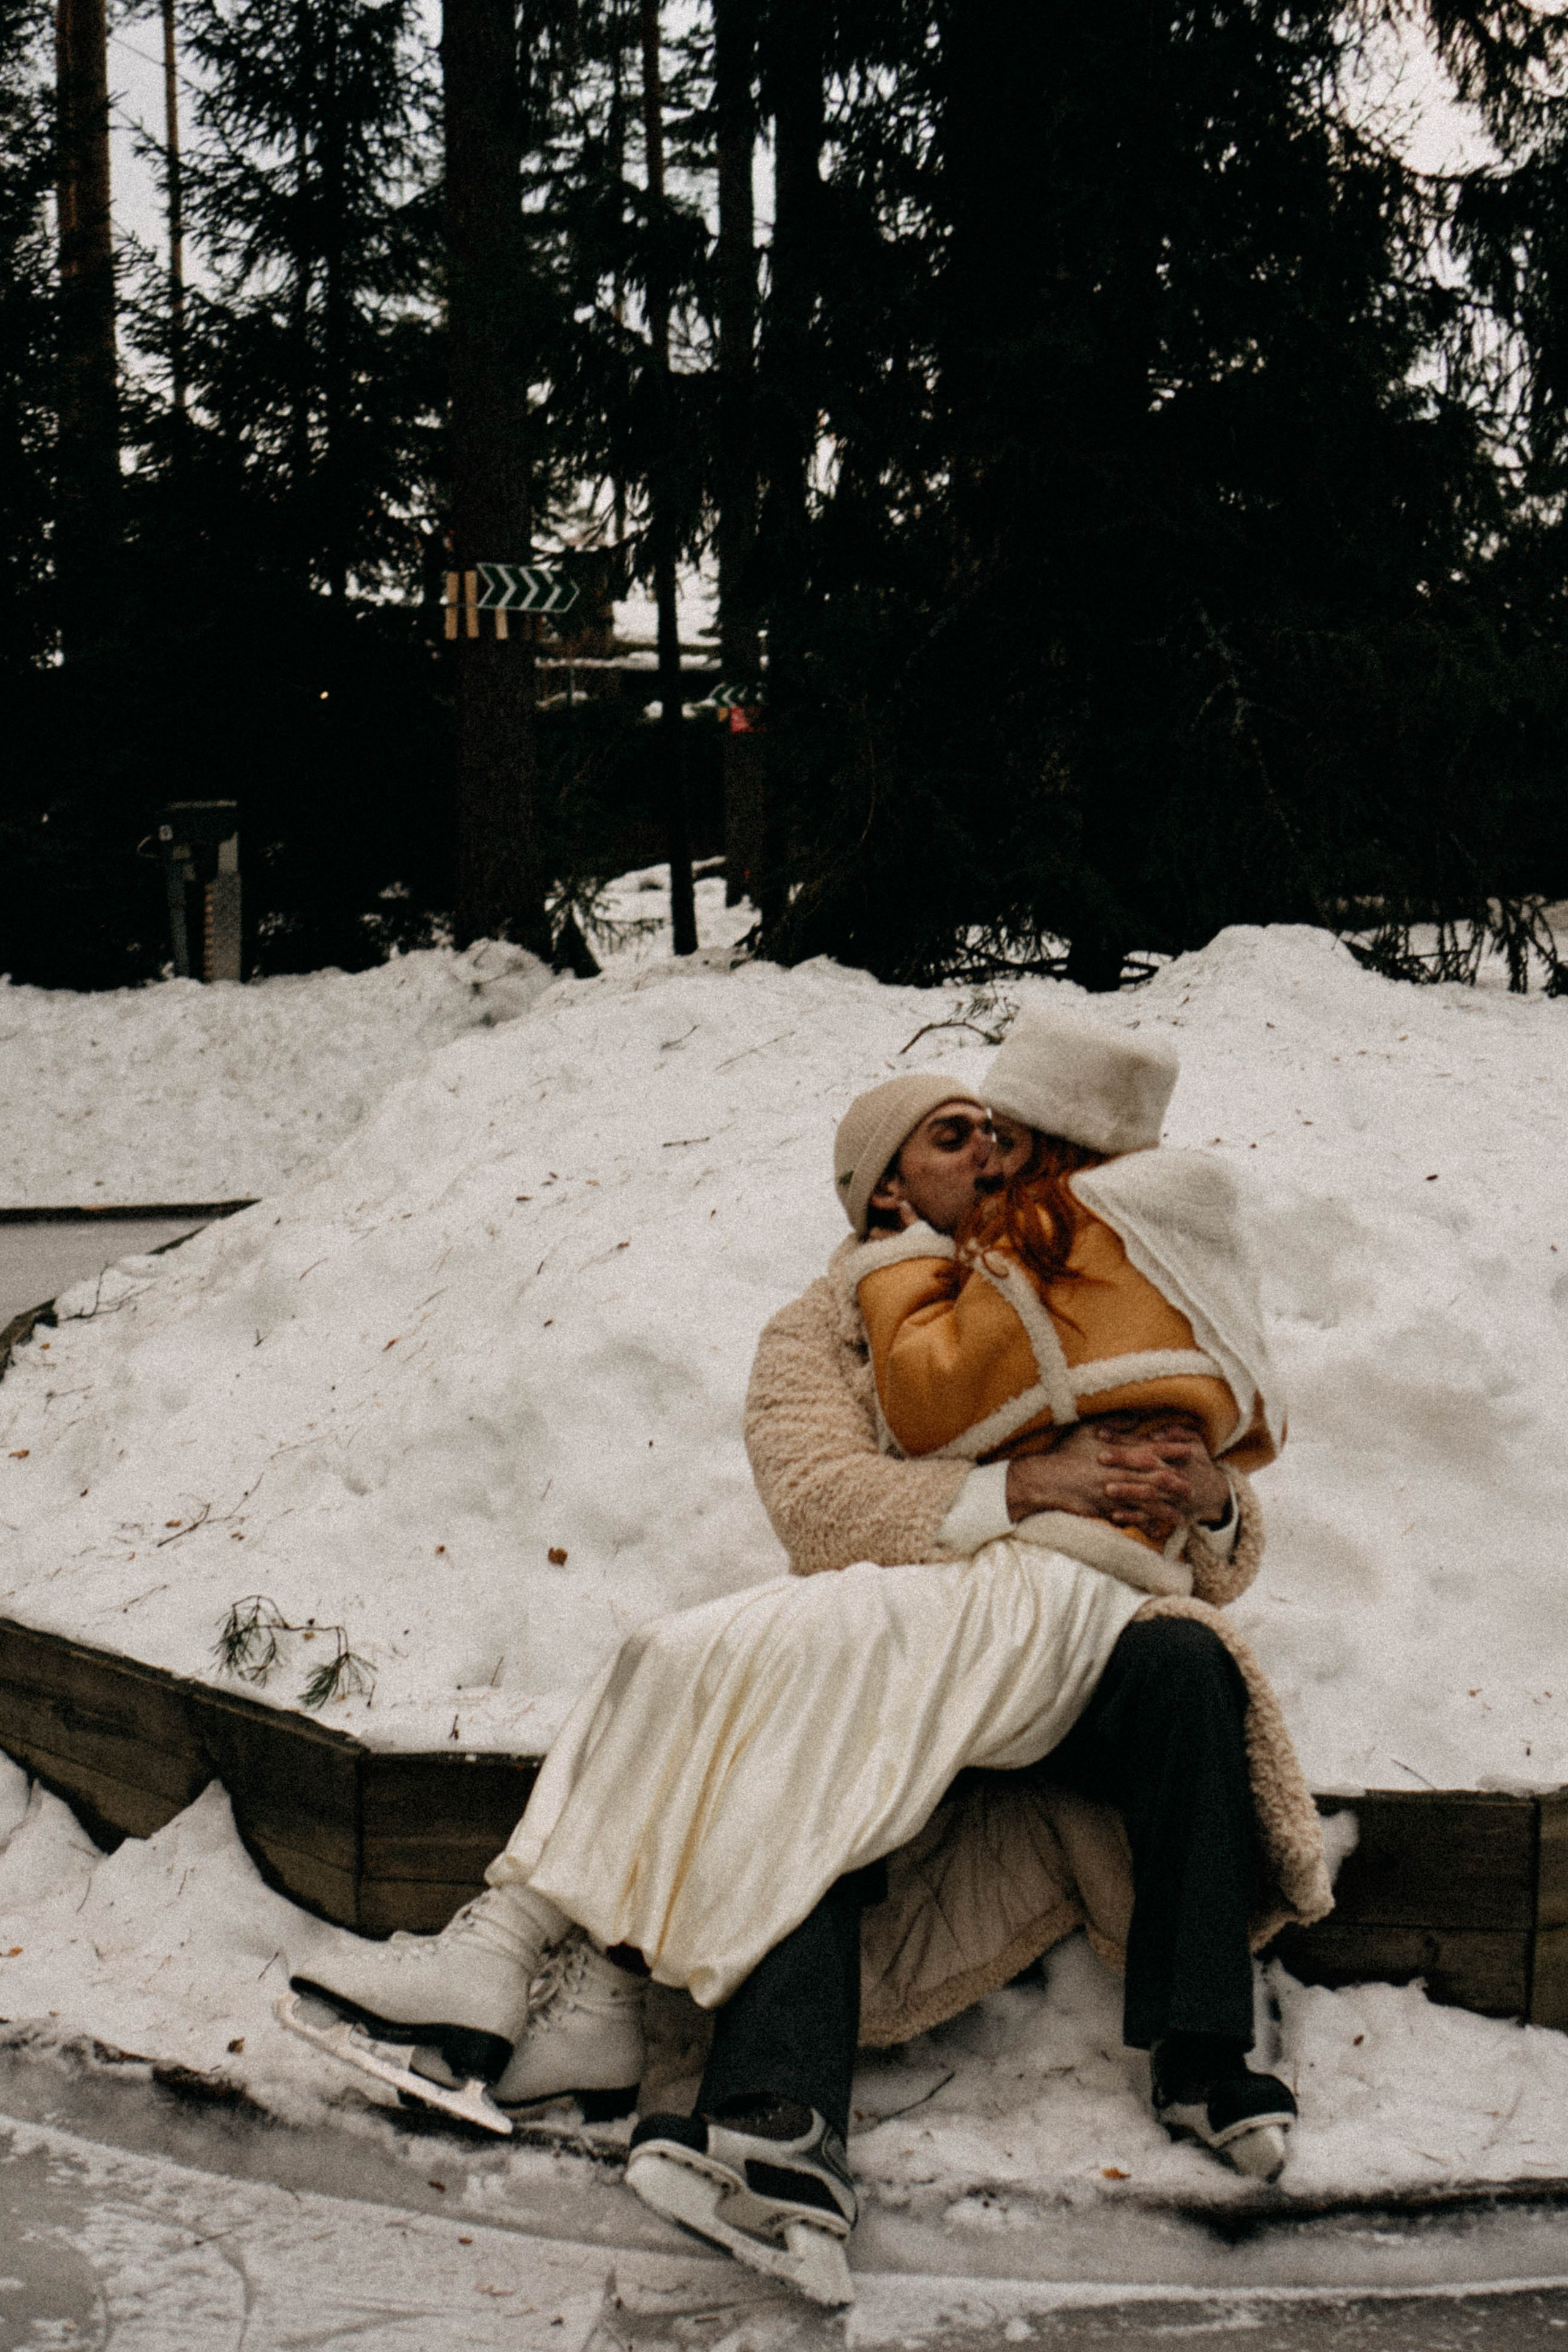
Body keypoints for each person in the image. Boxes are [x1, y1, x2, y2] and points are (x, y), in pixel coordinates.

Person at [285, 1020, 1329, 2304]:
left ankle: (1204, 2053)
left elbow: (1215, 1546)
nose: (990, 1147)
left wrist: (1207, 1492)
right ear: (886, 1185)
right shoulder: (815, 1332)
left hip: (1062, 1642)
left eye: (996, 1127)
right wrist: (1013, 1486)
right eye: (953, 1135)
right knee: (815, 1740)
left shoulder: (1084, 1267)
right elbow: (821, 1510)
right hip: (907, 1641)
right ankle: (762, 2111)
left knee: (1184, 1669)